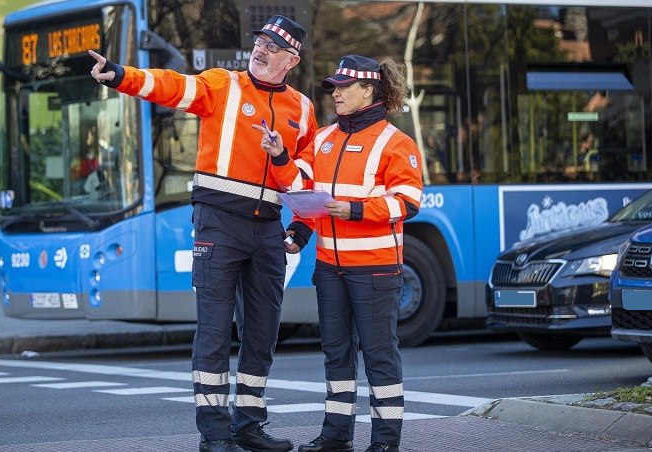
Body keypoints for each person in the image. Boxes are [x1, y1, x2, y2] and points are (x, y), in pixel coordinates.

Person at [89, 14, 317, 452]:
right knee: (213, 331)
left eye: (272, 47)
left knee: (262, 333)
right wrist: (119, 75)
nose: (260, 49)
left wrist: (302, 227)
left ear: (291, 59)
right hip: (218, 222)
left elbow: (308, 177)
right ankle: (214, 434)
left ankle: (249, 425)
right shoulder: (222, 84)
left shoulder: (303, 109)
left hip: (268, 228)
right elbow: (171, 85)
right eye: (259, 42)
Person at [257, 55, 423, 452]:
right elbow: (303, 189)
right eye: (333, 87)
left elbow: (408, 201)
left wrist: (354, 210)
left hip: (375, 270)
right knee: (337, 355)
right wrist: (280, 158)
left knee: (380, 356)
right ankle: (336, 435)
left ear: (368, 90)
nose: (335, 93)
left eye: (344, 87)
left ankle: (385, 442)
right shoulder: (324, 139)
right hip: (330, 269)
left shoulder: (396, 142)